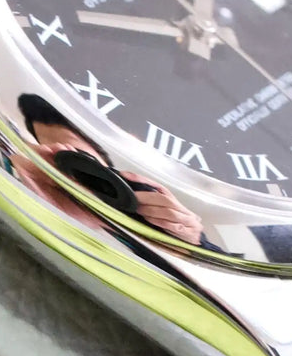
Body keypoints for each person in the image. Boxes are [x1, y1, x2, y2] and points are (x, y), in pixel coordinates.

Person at [11, 94, 209, 248]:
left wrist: (190, 239)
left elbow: (206, 258)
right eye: (46, 146)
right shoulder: (23, 172)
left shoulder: (142, 199)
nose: (63, 158)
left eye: (78, 155)